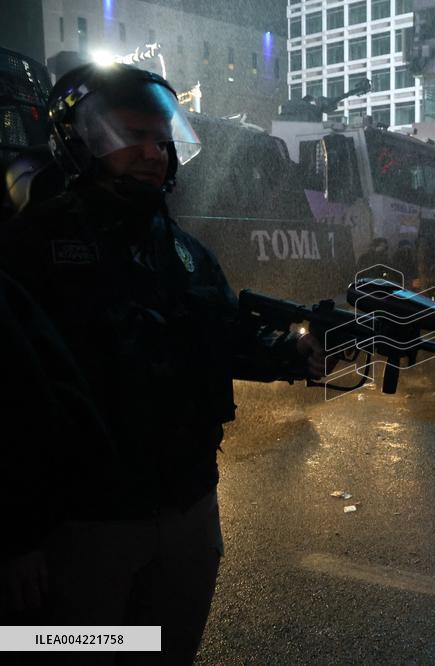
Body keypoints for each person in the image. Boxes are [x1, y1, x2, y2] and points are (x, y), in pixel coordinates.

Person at [0, 63, 325, 662]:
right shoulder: (32, 247)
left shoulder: (182, 249)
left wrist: (291, 353)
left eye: (162, 138)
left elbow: (220, 335)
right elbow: (9, 398)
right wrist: (16, 537)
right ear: (78, 142)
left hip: (189, 510)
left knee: (170, 650)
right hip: (86, 525)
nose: (152, 153)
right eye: (131, 136)